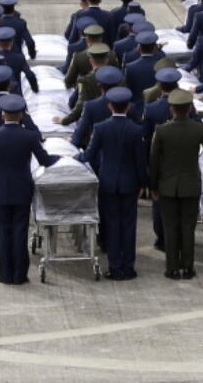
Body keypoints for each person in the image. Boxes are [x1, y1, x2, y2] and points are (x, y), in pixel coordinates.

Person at [0, 95, 59, 284]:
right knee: (19, 232)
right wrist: (63, 157)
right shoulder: (29, 136)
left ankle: (5, 275)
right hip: (22, 191)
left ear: (2, 116)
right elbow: (45, 160)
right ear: (21, 116)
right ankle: (19, 275)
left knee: (3, 233)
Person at [150, 89, 203, 279]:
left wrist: (153, 187)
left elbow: (154, 162)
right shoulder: (198, 129)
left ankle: (172, 268)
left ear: (171, 110)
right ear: (190, 108)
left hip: (167, 187)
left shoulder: (161, 130)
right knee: (188, 228)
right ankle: (188, 267)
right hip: (190, 186)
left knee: (170, 228)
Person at [77, 86, 148, 280]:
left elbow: (89, 154)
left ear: (109, 107)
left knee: (112, 225)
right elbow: (140, 161)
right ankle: (129, 266)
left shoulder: (101, 128)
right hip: (130, 183)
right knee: (129, 225)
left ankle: (115, 267)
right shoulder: (136, 130)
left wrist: (74, 157)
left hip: (107, 182)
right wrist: (143, 183)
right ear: (128, 107)